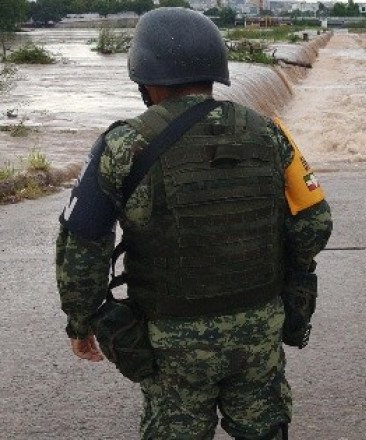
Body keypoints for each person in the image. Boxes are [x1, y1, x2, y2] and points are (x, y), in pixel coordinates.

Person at [55, 7, 332, 439]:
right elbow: (314, 222)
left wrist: (82, 321)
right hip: (259, 325)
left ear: (143, 77)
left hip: (171, 338)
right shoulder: (270, 132)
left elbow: (82, 246)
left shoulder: (123, 144)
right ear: (215, 70)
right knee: (264, 427)